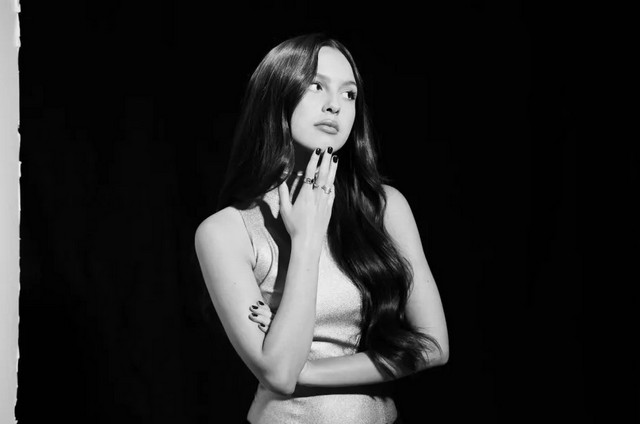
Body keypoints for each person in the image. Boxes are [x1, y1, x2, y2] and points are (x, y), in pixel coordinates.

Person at [194, 33, 449, 424]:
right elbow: (280, 375)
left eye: (349, 94)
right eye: (316, 86)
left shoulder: (384, 207)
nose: (335, 105)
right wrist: (306, 240)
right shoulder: (225, 232)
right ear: (277, 94)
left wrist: (308, 370)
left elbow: (433, 345)